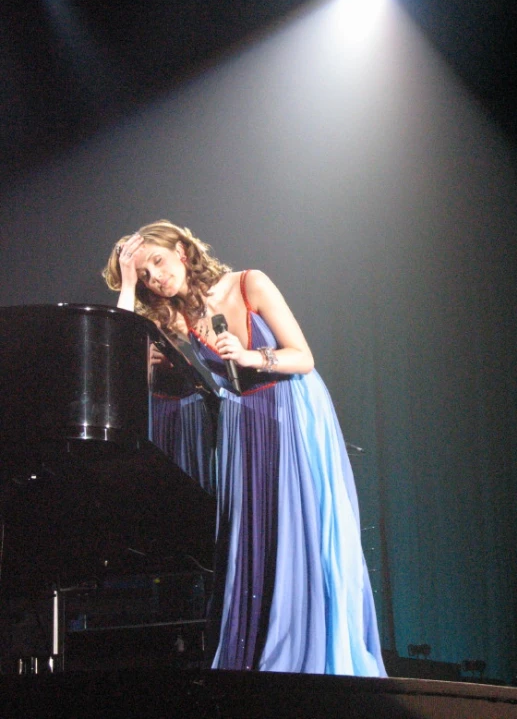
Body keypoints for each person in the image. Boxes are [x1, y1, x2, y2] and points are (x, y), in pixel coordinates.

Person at [103, 219, 387, 676]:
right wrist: (129, 282)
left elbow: (303, 356)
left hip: (290, 405)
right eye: (147, 277)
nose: (158, 278)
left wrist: (253, 355)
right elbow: (116, 350)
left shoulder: (250, 282)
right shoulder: (172, 317)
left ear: (180, 248)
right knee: (251, 532)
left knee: (300, 525)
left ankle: (312, 645)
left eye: (157, 262)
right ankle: (259, 651)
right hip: (241, 418)